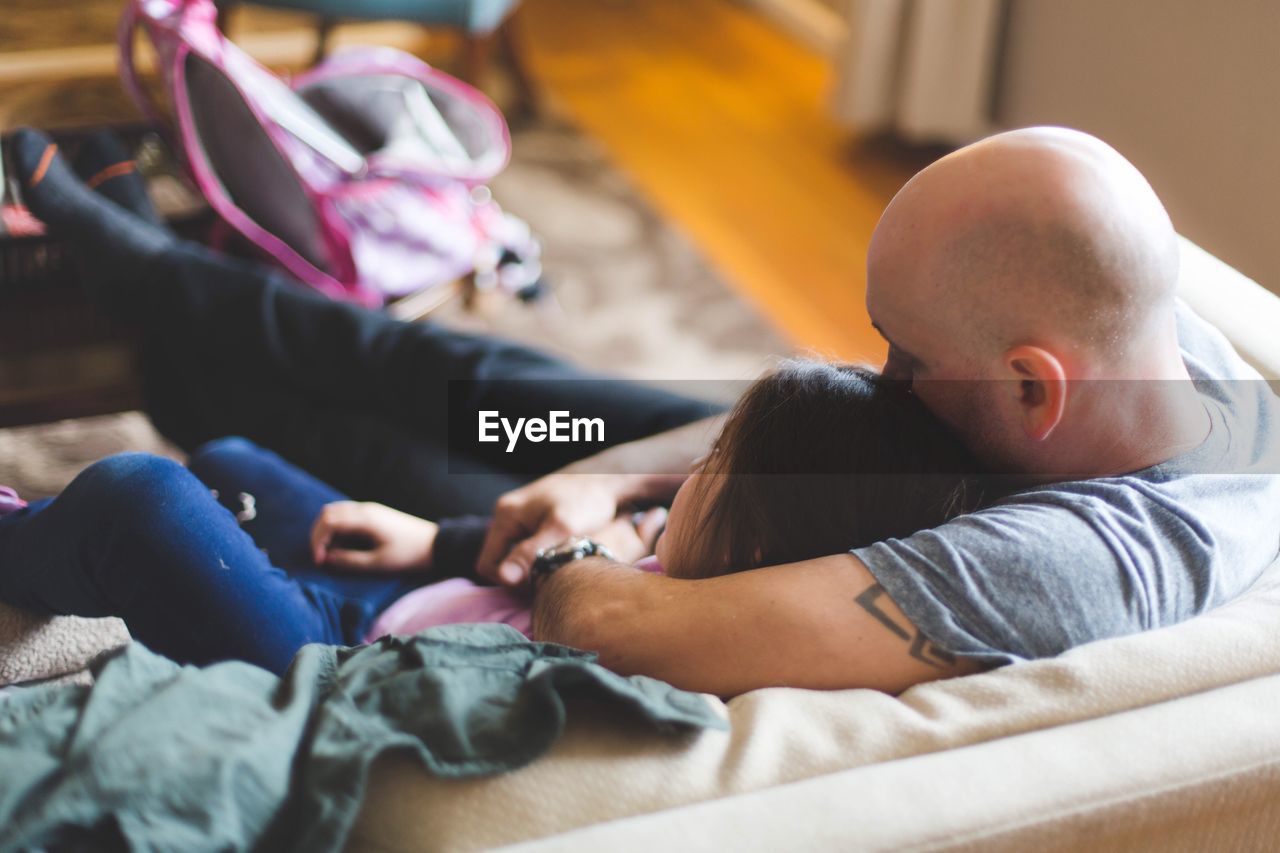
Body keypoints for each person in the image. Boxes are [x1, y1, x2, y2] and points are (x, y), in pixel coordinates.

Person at [8, 125, 1280, 697]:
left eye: (903, 353)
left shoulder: (1075, 564)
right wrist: (609, 472)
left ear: (1031, 387)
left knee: (406, 438)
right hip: (780, 458)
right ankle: (154, 280)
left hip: (758, 509)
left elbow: (625, 624)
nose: (882, 366)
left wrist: (589, 527)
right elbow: (848, 403)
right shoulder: (1165, 357)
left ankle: (153, 309)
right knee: (480, 398)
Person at [0, 361, 979, 679]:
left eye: (713, 466)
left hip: (344, 669)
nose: (679, 479)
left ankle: (21, 538)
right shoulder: (695, 554)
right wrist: (436, 542)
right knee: (228, 462)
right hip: (406, 591)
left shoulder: (694, 649)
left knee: (145, 499)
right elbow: (528, 573)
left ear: (759, 540)